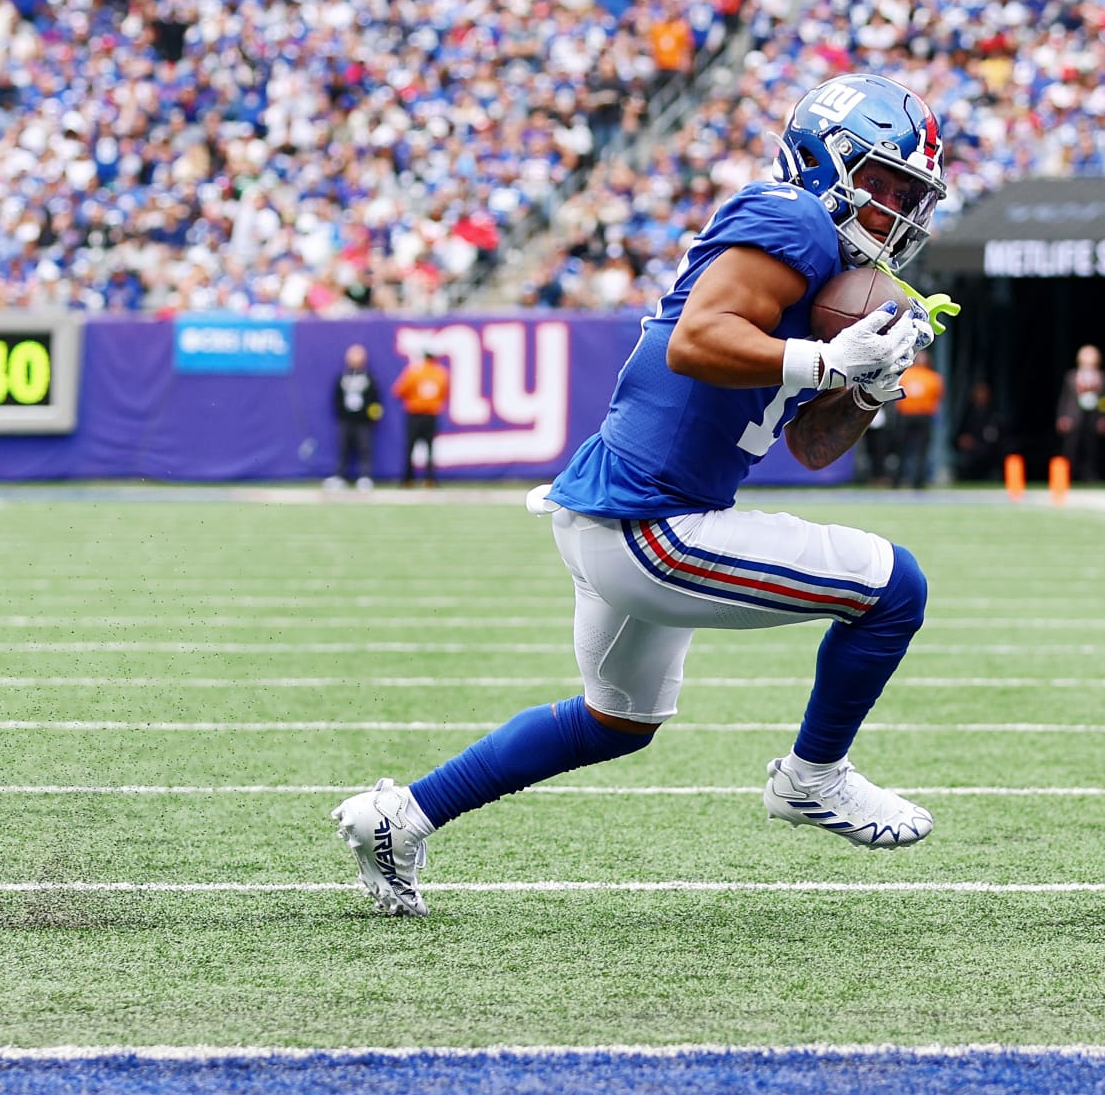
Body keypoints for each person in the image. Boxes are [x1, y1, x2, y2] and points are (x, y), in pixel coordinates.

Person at [331, 73, 950, 916]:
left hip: (616, 518)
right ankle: (813, 779)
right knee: (895, 587)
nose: (895, 210)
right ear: (822, 161)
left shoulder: (824, 270)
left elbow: (810, 445)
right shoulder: (793, 217)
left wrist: (868, 386)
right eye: (881, 184)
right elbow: (700, 340)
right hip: (652, 524)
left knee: (614, 722)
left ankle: (398, 816)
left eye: (908, 194)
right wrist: (824, 361)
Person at [392, 350, 451, 487]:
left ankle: (408, 479)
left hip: (415, 414)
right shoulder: (440, 373)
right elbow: (444, 394)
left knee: (410, 447)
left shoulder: (415, 372)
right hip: (431, 415)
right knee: (429, 448)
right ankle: (430, 479)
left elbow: (400, 391)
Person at [327, 344, 382, 491]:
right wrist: (341, 415)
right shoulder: (343, 376)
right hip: (346, 420)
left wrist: (371, 417)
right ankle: (340, 476)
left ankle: (365, 476)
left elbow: (375, 400)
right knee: (343, 448)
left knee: (365, 448)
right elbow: (337, 397)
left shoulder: (369, 377)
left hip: (363, 421)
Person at [1056, 345, 1105, 482]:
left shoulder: (1102, 376)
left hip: (1093, 415)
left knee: (1091, 448)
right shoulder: (1072, 376)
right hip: (1075, 416)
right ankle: (1067, 475)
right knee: (1071, 446)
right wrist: (1062, 417)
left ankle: (1090, 474)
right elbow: (1065, 399)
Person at [894, 350, 943, 488]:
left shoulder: (933, 377)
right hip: (906, 415)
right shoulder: (905, 375)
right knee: (901, 448)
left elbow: (937, 398)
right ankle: (897, 479)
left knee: (921, 449)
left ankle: (918, 480)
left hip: (923, 416)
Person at [952, 381, 1008, 481]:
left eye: (984, 393)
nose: (981, 396)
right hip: (972, 454)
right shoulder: (968, 415)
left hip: (990, 453)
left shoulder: (994, 415)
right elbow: (957, 436)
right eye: (979, 393)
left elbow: (1001, 437)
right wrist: (963, 440)